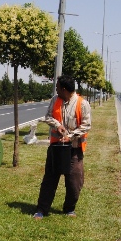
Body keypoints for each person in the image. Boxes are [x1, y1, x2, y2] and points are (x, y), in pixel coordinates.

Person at [33, 75, 91, 219]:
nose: (56, 89)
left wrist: (70, 136)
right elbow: (48, 116)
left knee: (74, 181)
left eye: (57, 87)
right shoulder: (55, 100)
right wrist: (58, 125)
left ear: (64, 89)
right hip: (56, 147)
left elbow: (86, 125)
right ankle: (41, 209)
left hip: (74, 149)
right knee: (49, 180)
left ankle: (69, 208)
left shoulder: (82, 104)